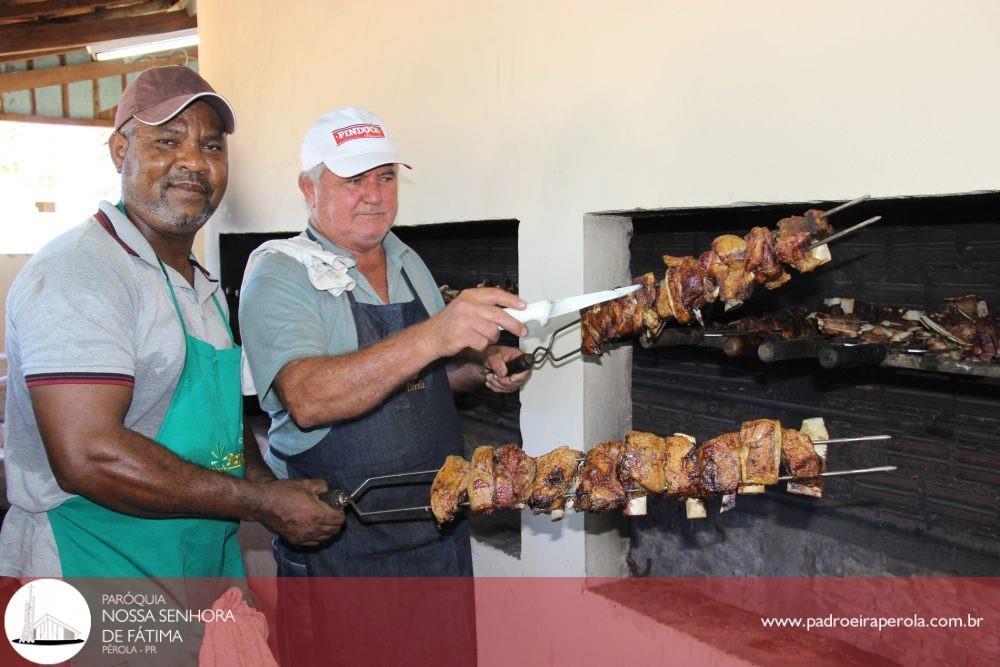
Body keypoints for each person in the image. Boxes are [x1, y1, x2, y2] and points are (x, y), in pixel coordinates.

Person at [0, 66, 344, 579]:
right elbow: (89, 456)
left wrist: (268, 485)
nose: (193, 163)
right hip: (93, 568)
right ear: (121, 152)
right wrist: (260, 503)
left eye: (211, 147)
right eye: (167, 141)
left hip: (196, 563)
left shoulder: (195, 282)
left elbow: (218, 431)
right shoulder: (79, 271)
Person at [239, 106, 531, 579]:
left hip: (438, 529)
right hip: (341, 545)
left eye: (386, 178)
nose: (374, 196)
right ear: (309, 188)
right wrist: (434, 335)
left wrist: (481, 366)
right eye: (353, 180)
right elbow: (308, 399)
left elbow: (421, 381)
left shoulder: (407, 260)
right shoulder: (281, 272)